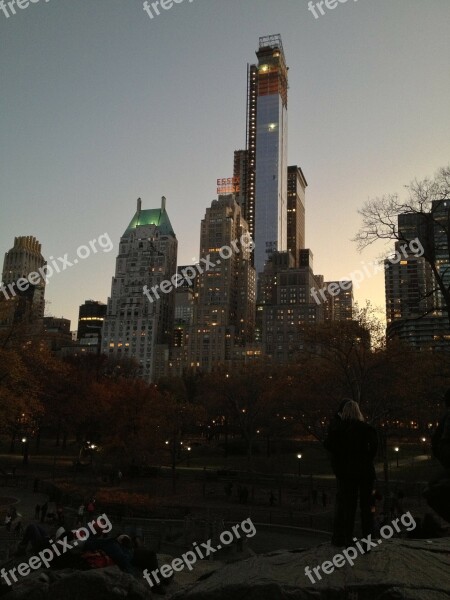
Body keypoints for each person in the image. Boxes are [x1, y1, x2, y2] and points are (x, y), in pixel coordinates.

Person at [324, 399, 378, 546]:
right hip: (365, 471)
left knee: (349, 506)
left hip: (348, 473)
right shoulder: (366, 428)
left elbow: (329, 445)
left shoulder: (338, 430)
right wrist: (366, 459)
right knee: (367, 507)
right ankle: (368, 540)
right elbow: (374, 447)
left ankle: (347, 539)